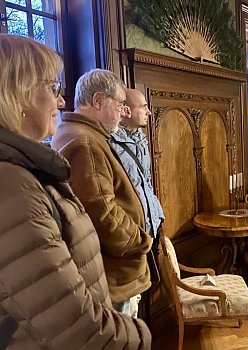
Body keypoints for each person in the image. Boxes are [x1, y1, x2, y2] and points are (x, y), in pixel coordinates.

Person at [0, 34, 151, 349]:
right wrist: (142, 336)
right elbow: (71, 321)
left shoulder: (30, 164)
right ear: (17, 95)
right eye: (51, 88)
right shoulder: (14, 182)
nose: (59, 100)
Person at [51, 69, 153, 319]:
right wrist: (141, 241)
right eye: (119, 104)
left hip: (110, 271)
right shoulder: (85, 142)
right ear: (98, 101)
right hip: (115, 274)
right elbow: (102, 212)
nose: (122, 111)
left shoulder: (79, 133)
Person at [110, 88, 164, 239]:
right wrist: (131, 234)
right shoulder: (111, 144)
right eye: (143, 107)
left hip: (151, 226)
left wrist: (158, 217)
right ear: (127, 110)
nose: (149, 112)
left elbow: (146, 183)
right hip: (132, 232)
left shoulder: (141, 139)